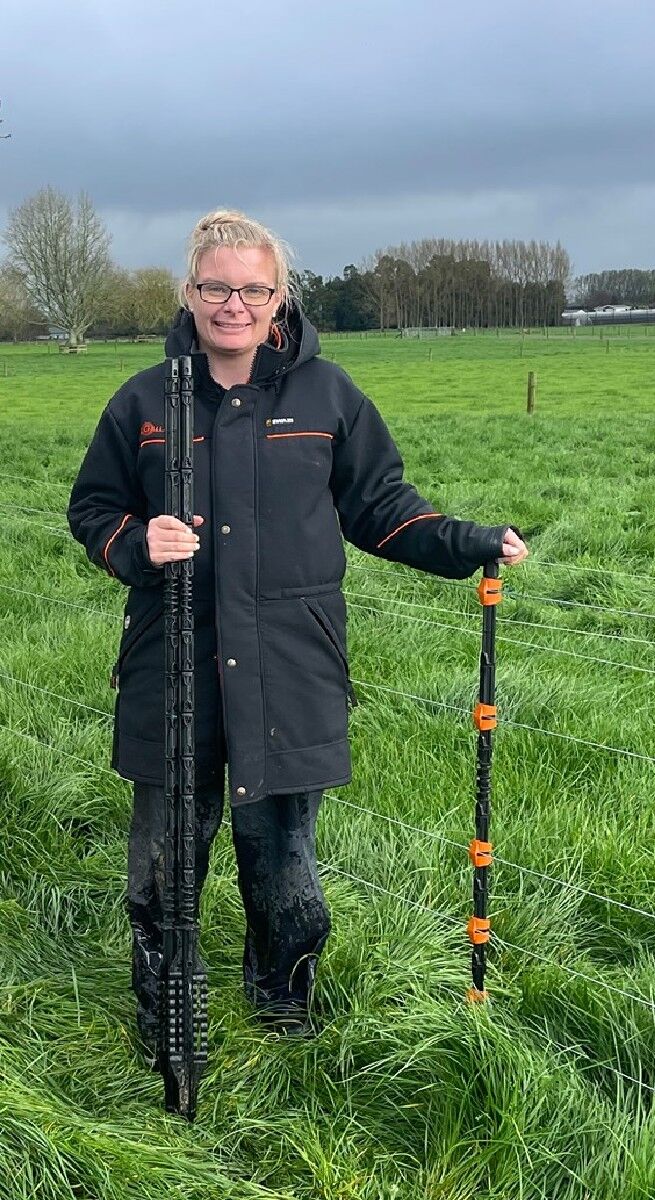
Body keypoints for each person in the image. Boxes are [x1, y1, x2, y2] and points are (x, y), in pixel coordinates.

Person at [67, 210, 527, 1052]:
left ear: (279, 297)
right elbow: (93, 507)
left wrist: (467, 541)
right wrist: (136, 543)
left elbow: (383, 510)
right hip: (173, 664)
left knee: (285, 862)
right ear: (190, 292)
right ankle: (169, 1016)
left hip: (292, 663)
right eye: (216, 287)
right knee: (164, 863)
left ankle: (282, 1007)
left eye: (252, 288)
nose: (232, 303)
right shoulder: (142, 399)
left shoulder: (329, 395)